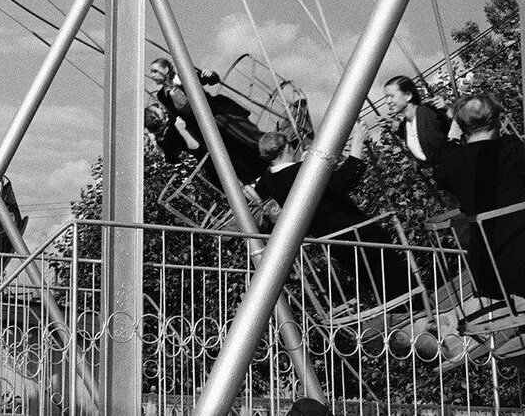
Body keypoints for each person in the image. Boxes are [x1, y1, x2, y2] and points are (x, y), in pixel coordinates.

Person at [254, 131, 409, 302]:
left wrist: (302, 164)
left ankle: (401, 309)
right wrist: (356, 148)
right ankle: (416, 306)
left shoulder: (270, 179)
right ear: (287, 148)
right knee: (392, 272)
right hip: (353, 230)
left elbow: (279, 183)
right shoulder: (299, 172)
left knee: (374, 281)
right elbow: (341, 183)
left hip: (332, 240)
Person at [417, 93, 525, 298]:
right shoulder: (513, 148)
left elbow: (441, 171)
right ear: (497, 120)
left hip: (490, 269)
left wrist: (452, 133)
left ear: (461, 127)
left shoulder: (452, 162)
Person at [148, 58, 266, 182]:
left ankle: (269, 157)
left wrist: (210, 74)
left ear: (166, 70)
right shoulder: (162, 95)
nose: (152, 75)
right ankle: (257, 175)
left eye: (155, 71)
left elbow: (211, 80)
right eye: (152, 72)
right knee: (232, 152)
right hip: (202, 129)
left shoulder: (185, 75)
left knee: (245, 138)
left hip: (217, 116)